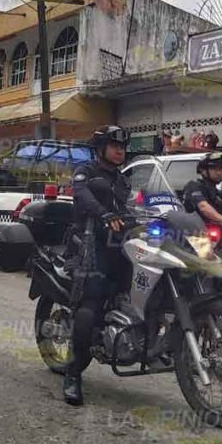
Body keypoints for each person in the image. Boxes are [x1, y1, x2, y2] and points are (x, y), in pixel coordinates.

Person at [63, 125, 131, 406]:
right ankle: (73, 374)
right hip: (88, 244)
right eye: (114, 145)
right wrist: (104, 214)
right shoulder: (86, 170)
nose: (120, 151)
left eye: (122, 147)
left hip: (118, 245)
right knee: (90, 305)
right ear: (101, 148)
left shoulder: (124, 179)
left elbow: (134, 205)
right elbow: (82, 196)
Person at [182, 152, 222, 231]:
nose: (219, 173)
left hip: (219, 239)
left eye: (221, 169)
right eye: (214, 168)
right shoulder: (194, 186)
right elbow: (203, 207)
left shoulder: (219, 194)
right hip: (194, 236)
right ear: (203, 170)